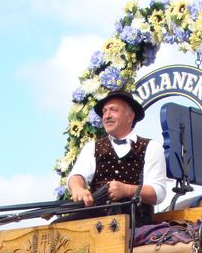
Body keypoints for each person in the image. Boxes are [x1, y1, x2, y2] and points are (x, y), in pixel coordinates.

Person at [68, 91, 167, 224]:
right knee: (56, 229)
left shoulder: (151, 147)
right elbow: (77, 175)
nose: (107, 116)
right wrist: (78, 188)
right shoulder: (92, 147)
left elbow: (158, 192)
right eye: (104, 111)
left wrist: (126, 190)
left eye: (113, 110)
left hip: (134, 222)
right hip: (95, 220)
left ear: (130, 116)